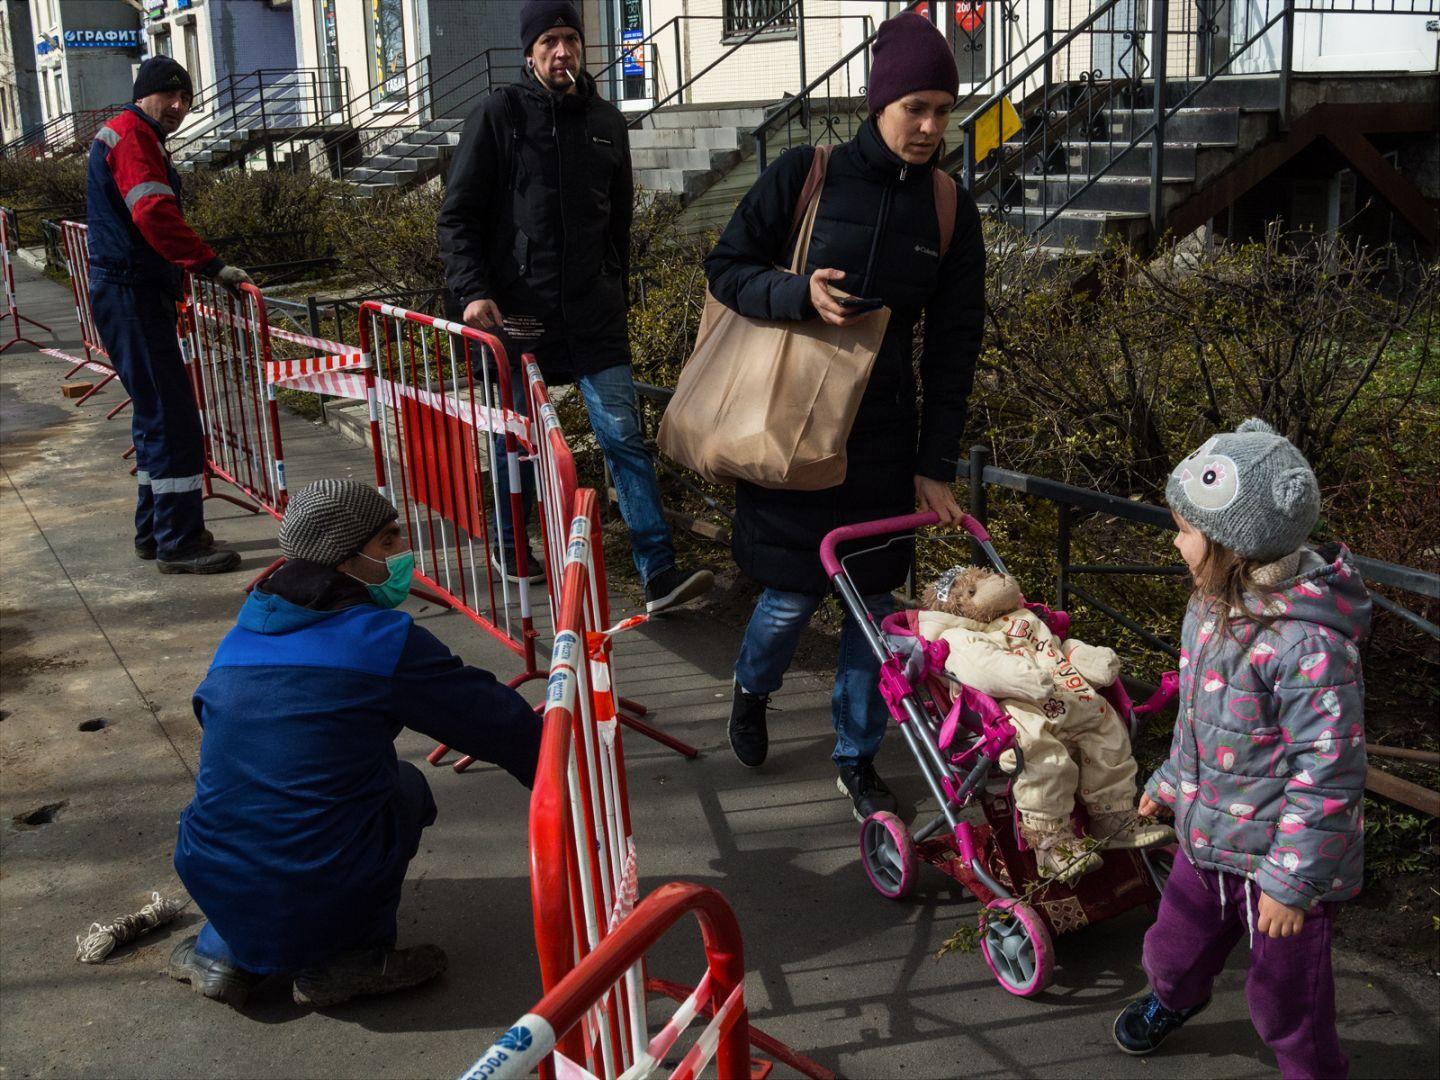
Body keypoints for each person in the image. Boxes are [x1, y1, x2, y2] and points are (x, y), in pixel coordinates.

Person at [703, 12, 985, 820]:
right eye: (915, 108)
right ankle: (752, 687)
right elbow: (726, 268)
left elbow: (955, 344)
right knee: (789, 599)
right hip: (791, 426)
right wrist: (798, 296)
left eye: (943, 109)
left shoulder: (948, 208)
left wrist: (934, 464)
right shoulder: (807, 174)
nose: (931, 127)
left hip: (884, 445)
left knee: (877, 614)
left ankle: (857, 755)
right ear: (878, 103)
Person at [167, 479, 543, 1009]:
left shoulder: (244, 633)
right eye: (388, 542)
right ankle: (347, 957)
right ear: (345, 557)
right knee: (406, 788)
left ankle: (223, 950)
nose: (402, 555)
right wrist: (573, 778)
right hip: (311, 873)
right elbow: (499, 724)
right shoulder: (381, 642)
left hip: (205, 861)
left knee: (253, 803)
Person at [1112, 420, 1370, 1079]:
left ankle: (1311, 1068)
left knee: (1288, 997)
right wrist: (1171, 780)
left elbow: (1329, 774)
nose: (1175, 541)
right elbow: (1204, 720)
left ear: (1234, 545)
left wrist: (1291, 880)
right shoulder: (1210, 605)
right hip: (1207, 839)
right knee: (1172, 949)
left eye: (1185, 530)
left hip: (1280, 867)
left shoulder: (1306, 645)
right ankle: (1172, 995)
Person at [437, 0, 712, 615]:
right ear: (529, 51)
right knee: (520, 444)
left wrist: (613, 284)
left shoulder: (607, 122)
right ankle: (513, 544)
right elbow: (457, 216)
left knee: (624, 439)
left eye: (571, 39)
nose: (562, 51)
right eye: (549, 41)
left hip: (593, 316)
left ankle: (658, 571)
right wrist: (474, 290)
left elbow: (620, 221)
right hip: (519, 315)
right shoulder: (499, 117)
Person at [87, 56, 252, 574]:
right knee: (173, 421)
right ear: (144, 94)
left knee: (154, 416)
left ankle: (155, 533)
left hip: (129, 293)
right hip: (132, 293)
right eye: (169, 96)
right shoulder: (133, 136)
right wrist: (210, 264)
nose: (179, 106)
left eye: (187, 98)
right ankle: (178, 542)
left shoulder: (132, 134)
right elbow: (154, 213)